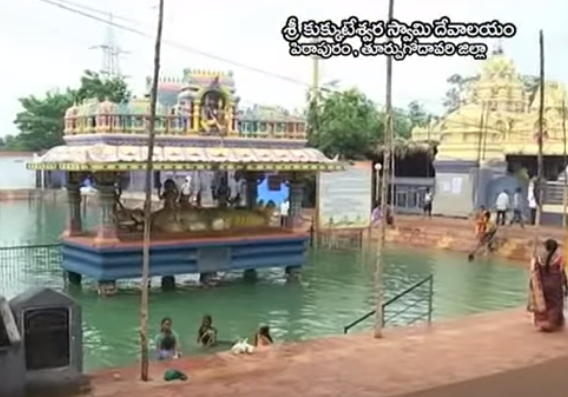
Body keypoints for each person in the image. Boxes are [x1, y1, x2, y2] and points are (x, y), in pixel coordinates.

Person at [527, 239, 567, 332]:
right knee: (555, 305)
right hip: (555, 286)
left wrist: (532, 285)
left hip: (542, 285)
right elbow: (562, 273)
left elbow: (535, 273)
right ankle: (552, 324)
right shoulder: (558, 259)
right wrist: (565, 284)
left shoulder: (539, 258)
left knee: (543, 303)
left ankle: (543, 322)